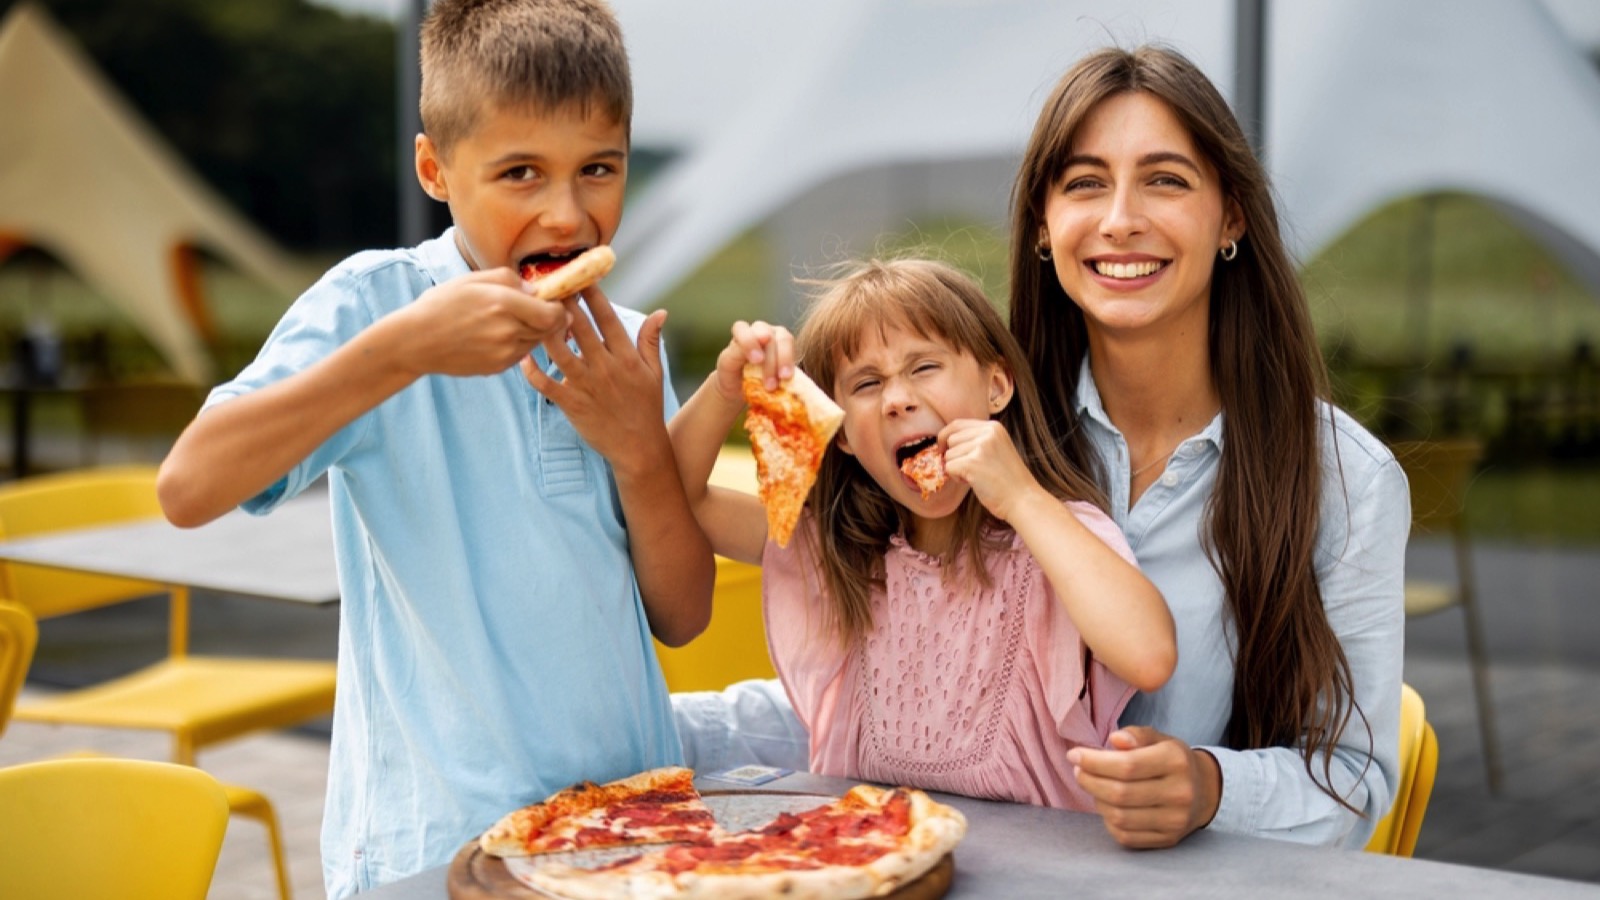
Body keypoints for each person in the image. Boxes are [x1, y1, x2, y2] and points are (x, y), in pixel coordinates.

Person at [675, 43, 1409, 852]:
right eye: (1085, 183)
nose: (1121, 217)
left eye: (1165, 179)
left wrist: (1209, 788)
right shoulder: (958, 453)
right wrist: (648, 726)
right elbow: (892, 685)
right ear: (1041, 228)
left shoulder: (1349, 481)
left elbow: (1353, 784)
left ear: (1231, 214)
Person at [156, 0, 713, 894]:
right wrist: (406, 349)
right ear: (436, 169)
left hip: (632, 829)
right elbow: (188, 486)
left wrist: (641, 453)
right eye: (521, 173)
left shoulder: (624, 343)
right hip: (435, 848)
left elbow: (682, 616)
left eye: (597, 170)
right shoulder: (376, 305)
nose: (567, 215)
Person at [670, 258, 1176, 810]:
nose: (897, 399)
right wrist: (726, 387)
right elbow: (676, 499)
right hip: (868, 859)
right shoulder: (838, 548)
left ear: (997, 386)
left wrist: (1023, 497)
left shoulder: (1056, 534)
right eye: (867, 383)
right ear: (841, 437)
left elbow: (1148, 655)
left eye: (925, 367)